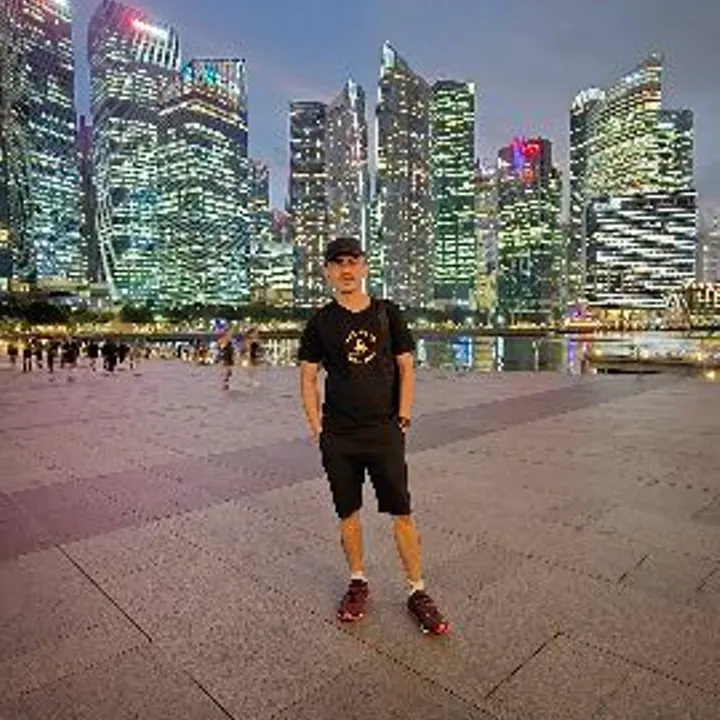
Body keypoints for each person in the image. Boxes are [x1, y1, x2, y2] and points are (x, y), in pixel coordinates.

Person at [298, 236, 449, 635]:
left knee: (402, 511)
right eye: (338, 263)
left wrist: (403, 417)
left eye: (353, 261)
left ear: (364, 267)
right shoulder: (320, 322)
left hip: (384, 430)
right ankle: (358, 581)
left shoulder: (387, 313)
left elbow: (406, 367)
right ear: (328, 272)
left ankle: (417, 590)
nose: (346, 269)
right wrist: (318, 429)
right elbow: (308, 376)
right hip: (339, 435)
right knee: (347, 512)